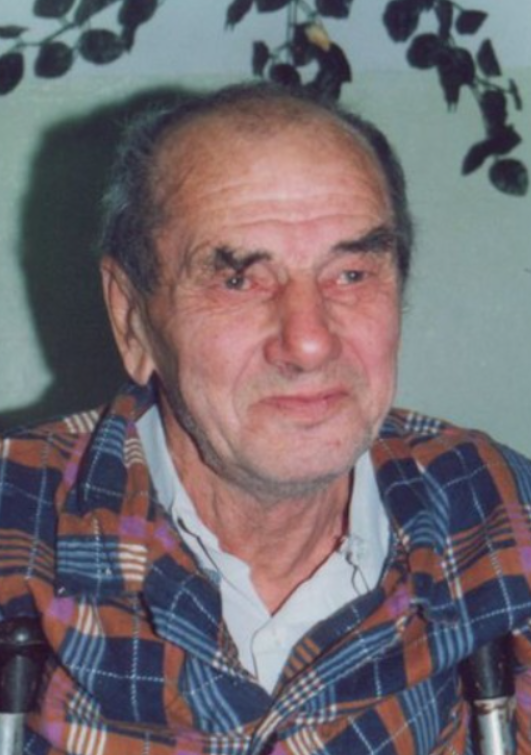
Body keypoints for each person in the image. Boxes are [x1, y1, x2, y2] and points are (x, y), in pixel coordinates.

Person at [1, 82, 531, 755]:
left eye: (351, 274)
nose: (309, 341)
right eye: (238, 279)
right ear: (131, 317)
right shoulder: (18, 521)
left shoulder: (496, 509)